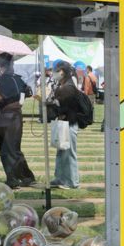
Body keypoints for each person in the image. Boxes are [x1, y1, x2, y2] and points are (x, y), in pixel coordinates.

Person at [0, 52, 36, 188]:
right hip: (16, 116)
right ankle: (25, 177)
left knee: (7, 150)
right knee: (14, 148)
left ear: (1, 65)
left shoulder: (3, 80)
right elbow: (27, 93)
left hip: (6, 117)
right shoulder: (18, 79)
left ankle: (14, 178)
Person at [47, 60, 80, 189]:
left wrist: (51, 103)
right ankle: (60, 178)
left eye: (57, 71)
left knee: (69, 153)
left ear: (63, 72)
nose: (54, 73)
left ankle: (72, 182)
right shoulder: (62, 86)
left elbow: (63, 106)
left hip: (69, 123)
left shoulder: (68, 87)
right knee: (61, 152)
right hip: (63, 122)